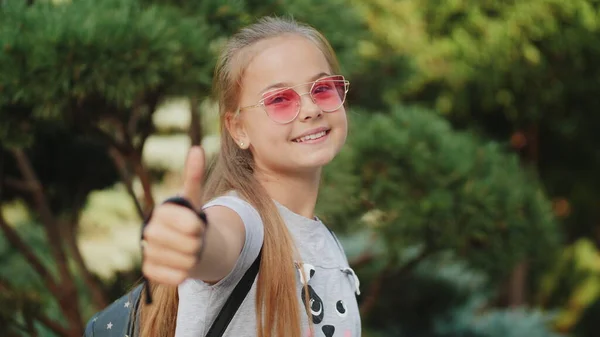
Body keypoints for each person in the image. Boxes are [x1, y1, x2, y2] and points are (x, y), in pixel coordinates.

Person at [85, 16, 361, 337]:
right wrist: (193, 240)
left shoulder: (322, 238)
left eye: (322, 88)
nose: (311, 108)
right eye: (279, 100)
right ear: (238, 129)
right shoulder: (244, 221)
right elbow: (218, 240)